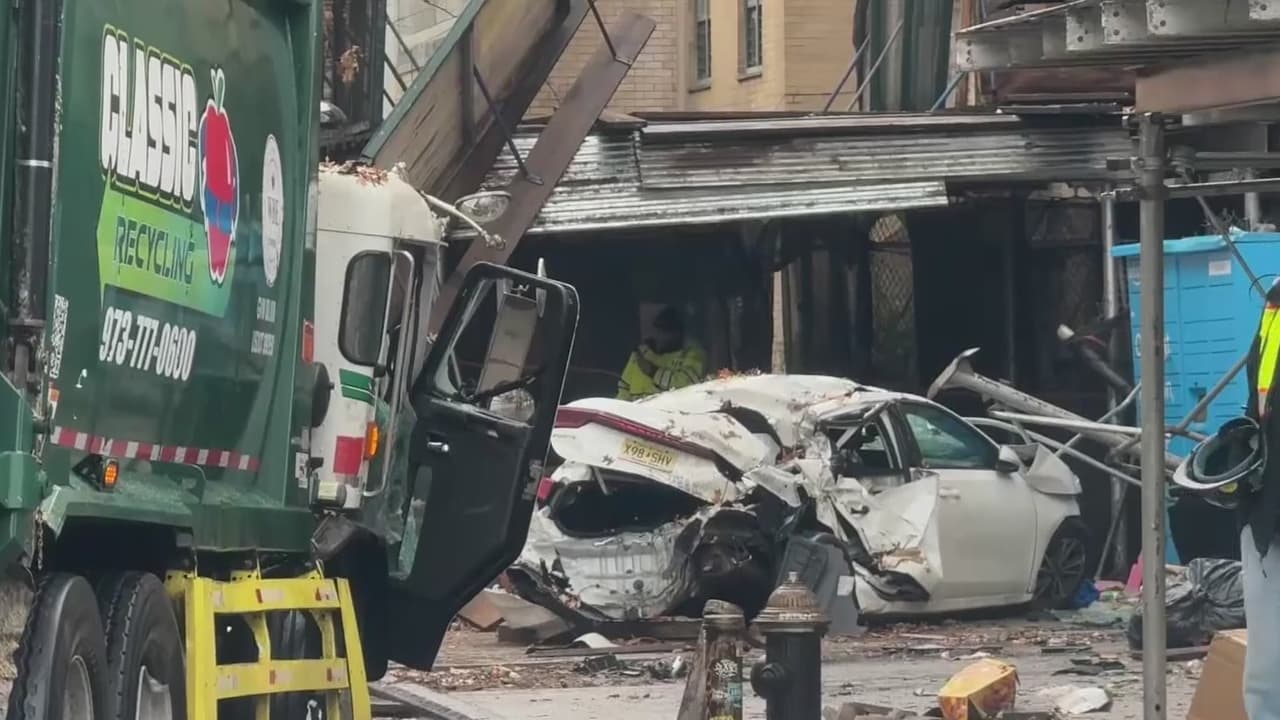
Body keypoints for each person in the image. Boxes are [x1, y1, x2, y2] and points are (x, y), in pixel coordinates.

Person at [1243, 278, 1280, 720]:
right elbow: (1259, 406)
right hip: (1266, 511)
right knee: (1267, 672)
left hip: (1267, 511)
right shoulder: (1274, 307)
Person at [617, 306, 706, 401]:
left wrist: (653, 372)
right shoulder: (640, 354)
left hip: (666, 413)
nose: (660, 336)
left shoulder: (693, 354)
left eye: (666, 331)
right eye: (658, 330)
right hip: (631, 413)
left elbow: (686, 386)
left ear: (678, 333)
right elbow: (623, 389)